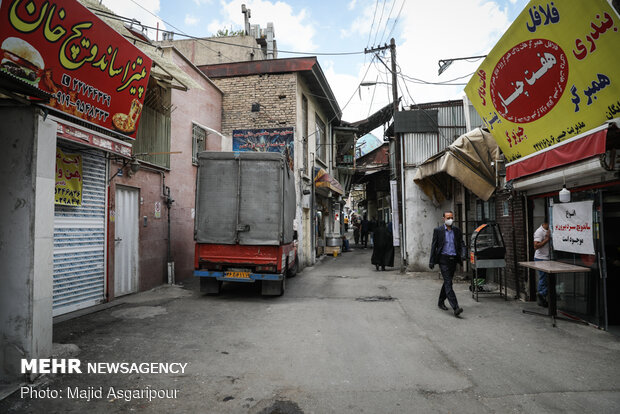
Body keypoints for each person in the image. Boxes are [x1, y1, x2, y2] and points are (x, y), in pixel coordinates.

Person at [429, 211, 465, 317]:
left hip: (453, 259)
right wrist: (431, 261)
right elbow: (433, 246)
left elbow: (461, 243)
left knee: (447, 282)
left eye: (452, 217)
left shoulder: (457, 231)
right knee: (449, 282)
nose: (450, 219)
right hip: (443, 260)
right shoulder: (438, 231)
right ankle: (456, 307)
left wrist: (463, 254)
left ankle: (440, 301)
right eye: (448, 217)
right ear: (443, 219)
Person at [533, 220, 551, 307]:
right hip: (541, 258)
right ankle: (541, 295)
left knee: (547, 279)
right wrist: (547, 239)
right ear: (546, 223)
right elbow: (536, 246)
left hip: (548, 258)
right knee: (544, 278)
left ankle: (542, 295)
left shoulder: (549, 230)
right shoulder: (539, 231)